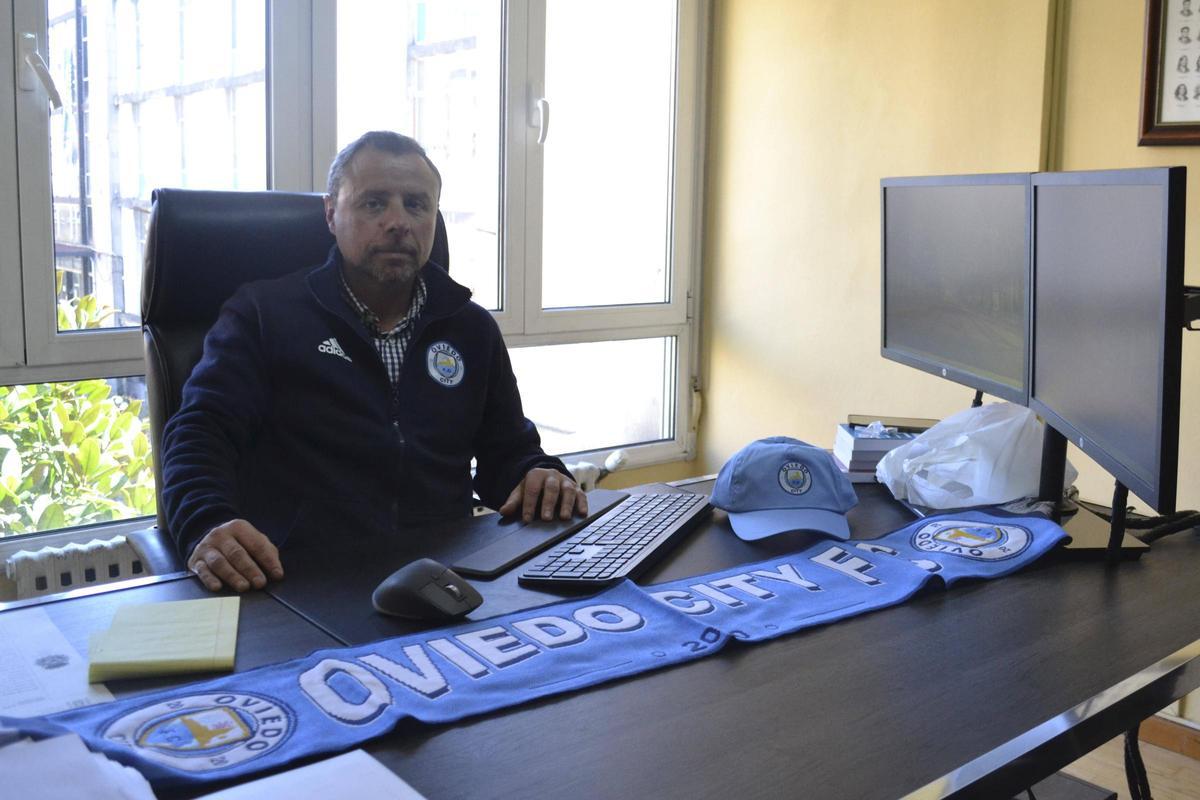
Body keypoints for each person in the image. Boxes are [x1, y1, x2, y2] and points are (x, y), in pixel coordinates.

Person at [161, 131, 587, 593]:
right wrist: (207, 521)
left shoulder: (470, 328)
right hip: (301, 581)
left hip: (443, 582)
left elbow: (507, 452)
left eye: (416, 204)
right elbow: (200, 432)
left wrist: (538, 476)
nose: (398, 221)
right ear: (331, 213)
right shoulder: (263, 315)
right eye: (374, 203)